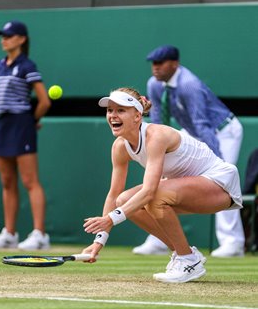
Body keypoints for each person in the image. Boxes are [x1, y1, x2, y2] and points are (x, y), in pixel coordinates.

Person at [81, 87, 242, 283]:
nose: (113, 116)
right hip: (186, 189)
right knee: (124, 200)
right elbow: (114, 196)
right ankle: (184, 255)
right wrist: (99, 241)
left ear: (137, 115)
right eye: (110, 110)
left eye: (120, 110)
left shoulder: (156, 136)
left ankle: (188, 260)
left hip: (220, 186)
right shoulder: (119, 147)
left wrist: (111, 220)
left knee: (153, 196)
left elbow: (149, 191)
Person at [133, 45, 245, 258]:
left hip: (221, 131)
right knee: (160, 181)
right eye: (153, 64)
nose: (155, 68)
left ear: (174, 64)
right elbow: (157, 123)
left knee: (222, 184)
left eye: (160, 63)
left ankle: (233, 243)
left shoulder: (189, 85)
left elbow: (203, 125)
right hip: (192, 131)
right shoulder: (154, 85)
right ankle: (158, 238)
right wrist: (159, 156)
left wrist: (216, 165)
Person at [0, 20, 51, 250]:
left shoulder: (27, 65)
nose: (4, 39)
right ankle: (9, 233)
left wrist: (32, 121)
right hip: (2, 125)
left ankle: (40, 235)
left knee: (29, 180)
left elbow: (44, 101)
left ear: (21, 39)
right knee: (7, 181)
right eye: (2, 36)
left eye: (9, 35)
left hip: (21, 124)